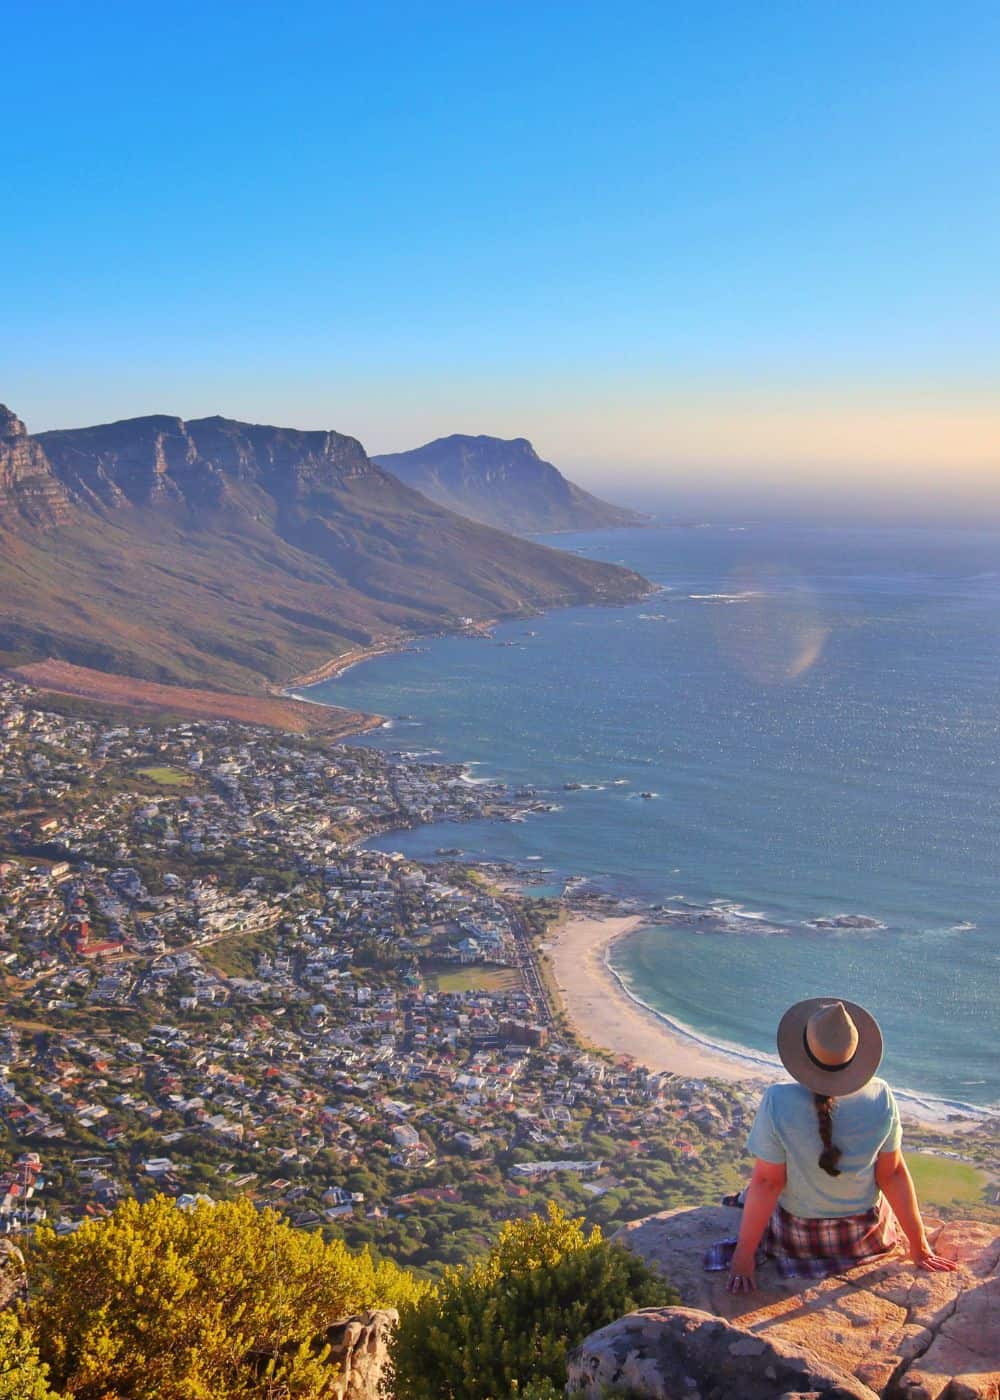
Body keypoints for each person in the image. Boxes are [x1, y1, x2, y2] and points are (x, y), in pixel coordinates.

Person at [708, 997, 957, 1292]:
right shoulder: (881, 1095)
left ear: (804, 1052)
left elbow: (767, 1183)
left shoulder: (778, 1100)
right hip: (863, 1238)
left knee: (751, 1191)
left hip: (796, 1238)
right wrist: (919, 1246)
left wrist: (743, 1255)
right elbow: (891, 1175)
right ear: (855, 1054)